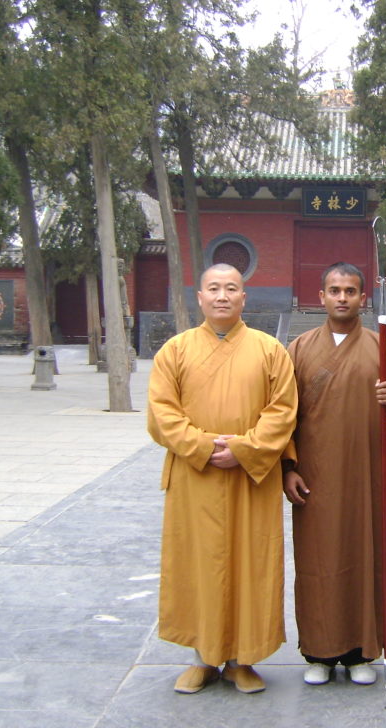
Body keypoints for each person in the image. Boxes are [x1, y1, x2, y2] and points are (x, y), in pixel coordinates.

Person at [147, 264, 298, 695]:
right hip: (195, 477)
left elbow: (283, 411)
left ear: (244, 297)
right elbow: (162, 414)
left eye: (232, 288)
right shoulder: (174, 351)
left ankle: (242, 660)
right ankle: (203, 657)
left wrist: (245, 450)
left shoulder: (270, 351)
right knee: (198, 566)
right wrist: (204, 448)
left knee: (251, 565)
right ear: (200, 297)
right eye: (214, 288)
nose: (222, 296)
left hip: (252, 476)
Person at [284, 262, 386, 686]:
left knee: (368, 556)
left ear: (364, 298)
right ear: (321, 296)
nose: (342, 297)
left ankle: (364, 650)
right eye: (334, 289)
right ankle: (319, 653)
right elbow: (280, 413)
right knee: (317, 562)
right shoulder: (298, 348)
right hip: (316, 478)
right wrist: (287, 467)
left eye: (350, 290)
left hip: (367, 477)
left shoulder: (385, 348)